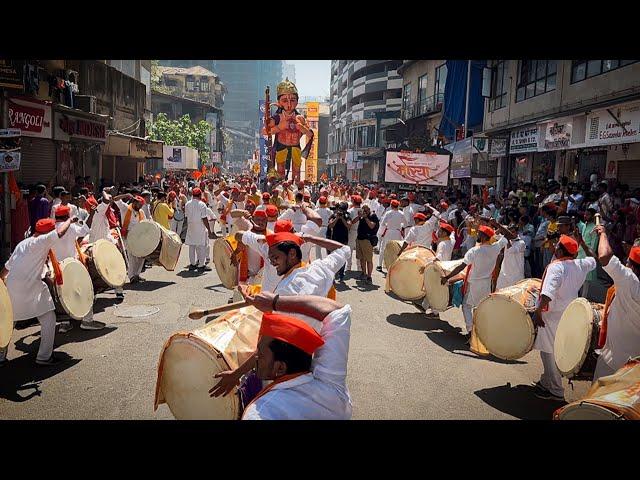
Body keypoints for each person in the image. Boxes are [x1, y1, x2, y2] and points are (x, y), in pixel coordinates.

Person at [209, 289, 352, 420]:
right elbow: (338, 312)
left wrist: (273, 302)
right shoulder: (330, 383)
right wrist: (274, 302)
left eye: (261, 354)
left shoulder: (262, 412)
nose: (255, 357)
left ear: (280, 368)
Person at [0, 217, 76, 366]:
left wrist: (1, 281)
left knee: (9, 322)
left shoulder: (23, 243)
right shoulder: (42, 241)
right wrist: (70, 220)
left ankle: (1, 356)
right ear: (47, 232)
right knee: (49, 319)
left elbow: (7, 268)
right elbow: (60, 232)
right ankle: (44, 357)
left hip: (12, 286)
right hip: (30, 287)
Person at [531, 234, 596, 401]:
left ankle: (555, 390)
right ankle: (546, 381)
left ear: (560, 250)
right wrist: (583, 245)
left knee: (548, 351)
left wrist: (538, 312)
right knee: (555, 348)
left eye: (557, 247)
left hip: (551, 314)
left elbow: (548, 293)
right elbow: (594, 259)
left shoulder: (557, 267)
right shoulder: (580, 264)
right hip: (569, 312)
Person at [440, 225, 509, 339]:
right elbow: (507, 236)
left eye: (479, 234)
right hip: (487, 284)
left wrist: (447, 277)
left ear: (482, 237)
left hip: (474, 284)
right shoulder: (496, 248)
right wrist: (498, 226)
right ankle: (483, 333)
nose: (477, 235)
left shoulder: (474, 250)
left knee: (467, 306)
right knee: (480, 308)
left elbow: (461, 267)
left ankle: (471, 331)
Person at [591, 225, 640, 381]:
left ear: (630, 264)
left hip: (614, 361)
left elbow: (604, 256)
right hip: (635, 365)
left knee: (598, 400)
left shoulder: (629, 280)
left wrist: (603, 233)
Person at [51, 205, 105, 332]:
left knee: (63, 294)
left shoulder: (50, 229)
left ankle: (64, 323)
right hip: (72, 266)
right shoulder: (71, 227)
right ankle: (87, 320)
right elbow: (86, 230)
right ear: (67, 216)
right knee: (86, 290)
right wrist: (91, 214)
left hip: (56, 268)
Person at [116, 194, 147, 283]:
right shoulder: (125, 208)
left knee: (141, 256)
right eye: (139, 205)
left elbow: (145, 223)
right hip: (128, 236)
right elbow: (115, 199)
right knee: (132, 256)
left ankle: (137, 274)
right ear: (134, 202)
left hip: (139, 236)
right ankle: (131, 276)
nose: (140, 207)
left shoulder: (141, 212)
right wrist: (126, 195)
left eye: (141, 205)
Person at [185, 188, 214, 272]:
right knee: (201, 246)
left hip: (191, 226)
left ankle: (192, 264)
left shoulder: (187, 204)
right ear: (200, 195)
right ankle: (201, 265)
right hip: (200, 226)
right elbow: (204, 218)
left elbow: (186, 216)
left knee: (192, 245)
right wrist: (209, 229)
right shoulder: (202, 204)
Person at [494, 222, 525, 290]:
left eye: (513, 232)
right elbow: (495, 235)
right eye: (509, 232)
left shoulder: (521, 243)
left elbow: (511, 250)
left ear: (517, 232)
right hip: (504, 272)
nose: (511, 234)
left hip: (516, 274)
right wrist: (500, 228)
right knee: (499, 291)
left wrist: (507, 237)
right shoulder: (506, 238)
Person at [376, 199, 405, 272]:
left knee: (383, 248)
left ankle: (379, 265)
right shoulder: (401, 213)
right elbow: (404, 223)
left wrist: (380, 234)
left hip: (388, 232)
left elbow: (383, 223)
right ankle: (394, 266)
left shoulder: (388, 213)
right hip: (397, 233)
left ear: (391, 205)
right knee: (396, 249)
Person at [327, 202, 352, 281]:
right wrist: (337, 218)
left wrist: (342, 219)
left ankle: (341, 274)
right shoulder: (334, 215)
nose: (341, 212)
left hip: (343, 239)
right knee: (333, 257)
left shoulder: (347, 216)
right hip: (334, 238)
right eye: (340, 209)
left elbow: (349, 226)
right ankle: (334, 274)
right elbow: (330, 225)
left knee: (342, 257)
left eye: (342, 210)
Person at [355, 204, 379, 284]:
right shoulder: (361, 216)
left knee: (368, 259)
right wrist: (359, 216)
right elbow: (353, 222)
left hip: (367, 240)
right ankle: (363, 273)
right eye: (363, 210)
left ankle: (369, 277)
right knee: (361, 258)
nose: (364, 211)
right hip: (359, 238)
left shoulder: (373, 216)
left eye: (366, 210)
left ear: (369, 209)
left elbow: (372, 226)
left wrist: (365, 217)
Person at [346, 195, 363, 274]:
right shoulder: (364, 210)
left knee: (350, 249)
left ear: (353, 201)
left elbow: (349, 222)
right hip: (360, 232)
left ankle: (348, 266)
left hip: (352, 231)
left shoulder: (350, 211)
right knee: (359, 250)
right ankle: (359, 267)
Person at [315, 196, 333, 260]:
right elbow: (332, 218)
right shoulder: (328, 210)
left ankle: (318, 260)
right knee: (327, 246)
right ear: (326, 202)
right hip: (326, 228)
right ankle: (328, 260)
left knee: (318, 247)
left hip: (318, 228)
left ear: (319, 202)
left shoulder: (316, 210)